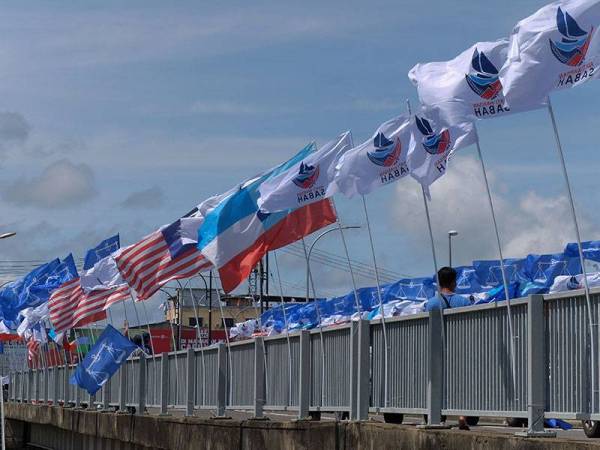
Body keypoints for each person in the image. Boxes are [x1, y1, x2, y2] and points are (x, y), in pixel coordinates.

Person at [424, 266, 472, 431]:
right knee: (461, 382)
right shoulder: (464, 302)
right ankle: (461, 417)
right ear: (453, 282)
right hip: (458, 347)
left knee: (436, 381)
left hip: (435, 349)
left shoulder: (431, 304)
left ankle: (437, 415)